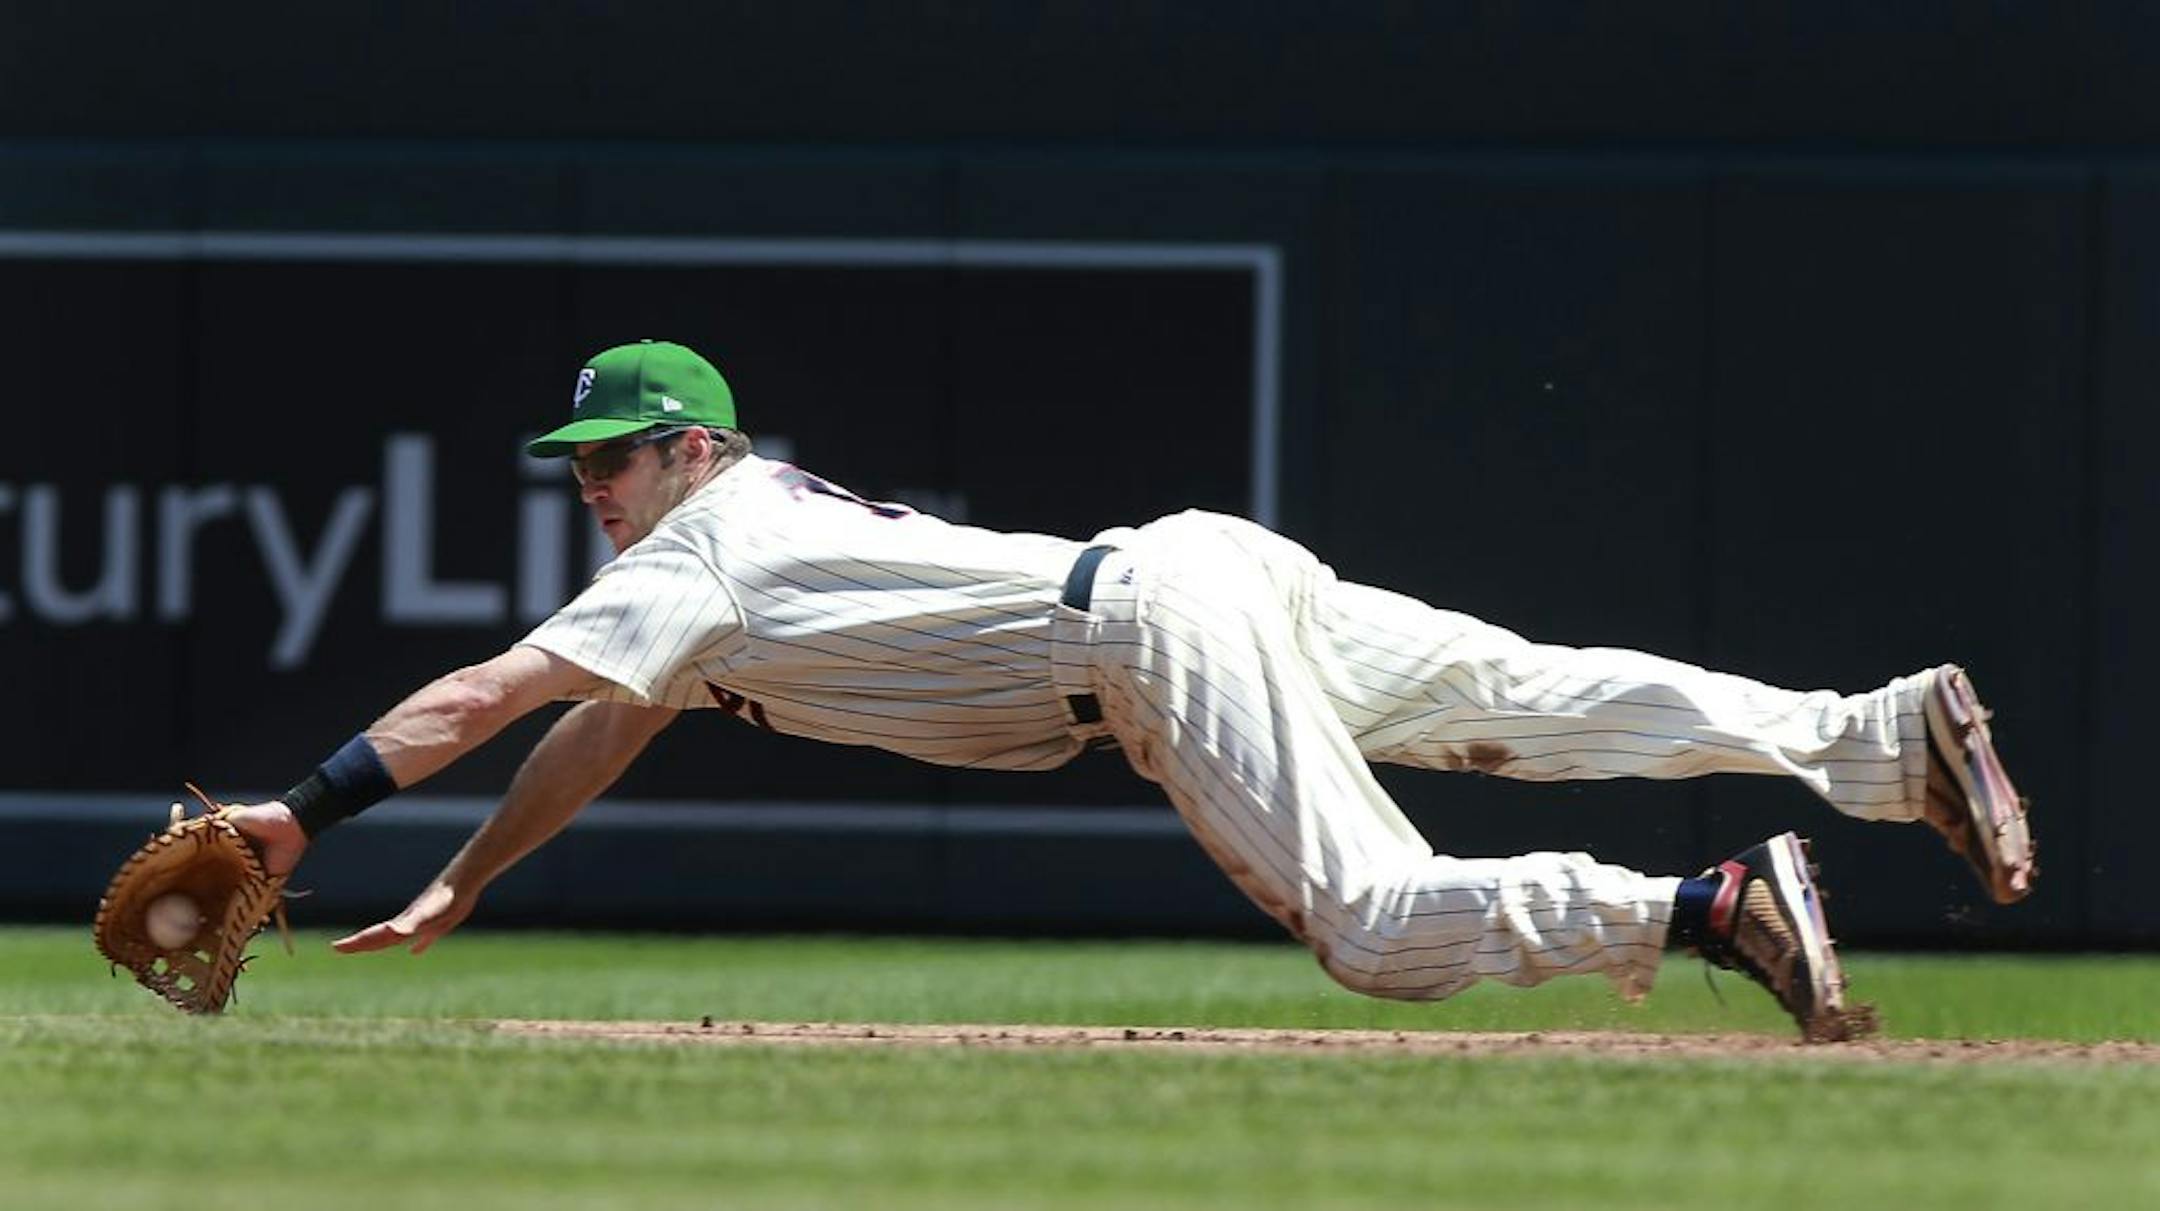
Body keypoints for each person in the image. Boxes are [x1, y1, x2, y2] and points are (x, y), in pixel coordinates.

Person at [226, 339, 2036, 1042]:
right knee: (1533, 696)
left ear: (692, 448)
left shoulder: (698, 548)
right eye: (580, 468)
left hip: (1141, 643)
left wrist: (295, 817)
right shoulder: (712, 569)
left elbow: (490, 690)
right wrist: (472, 878)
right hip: (1196, 566)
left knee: (1379, 924)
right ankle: (1873, 738)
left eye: (611, 460)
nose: (590, 490)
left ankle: (1709, 905)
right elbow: (599, 718)